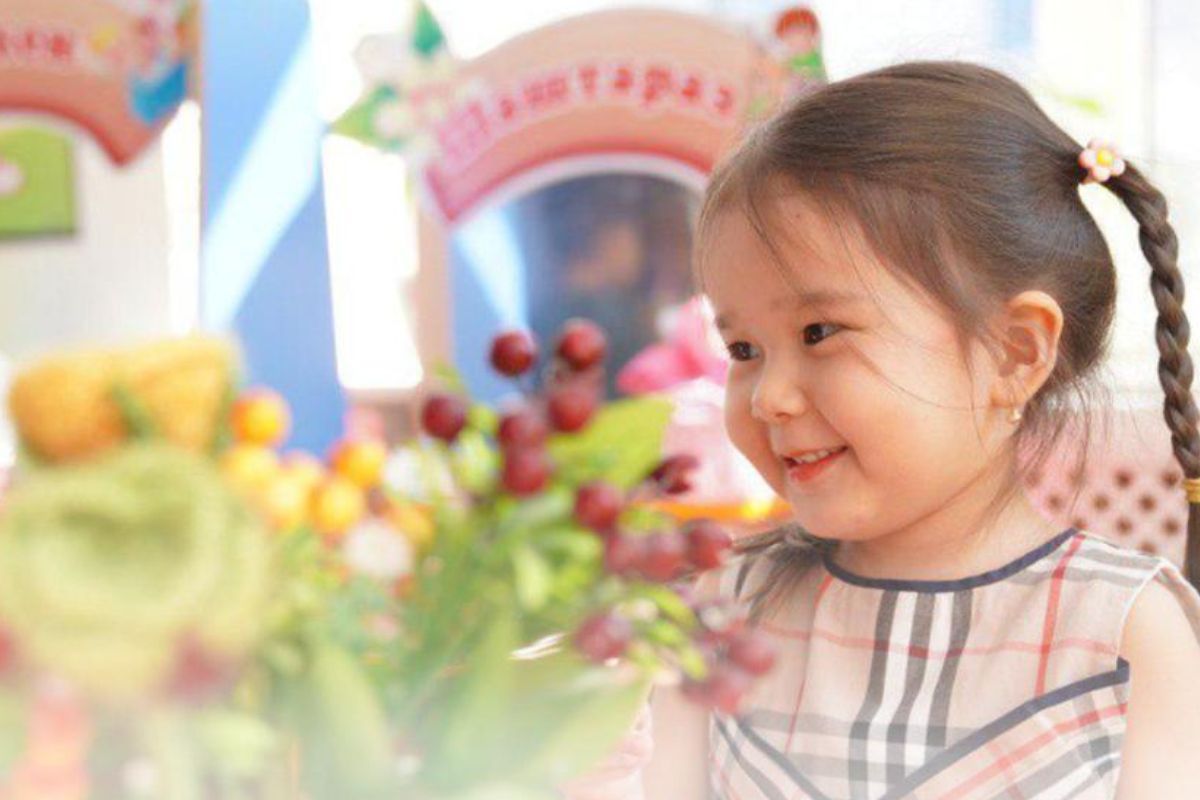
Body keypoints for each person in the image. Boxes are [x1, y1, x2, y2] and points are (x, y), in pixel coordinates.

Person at [567, 61, 1200, 799]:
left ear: (1014, 353)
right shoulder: (722, 613)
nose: (769, 397)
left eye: (819, 332)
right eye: (743, 350)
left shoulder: (1126, 634)